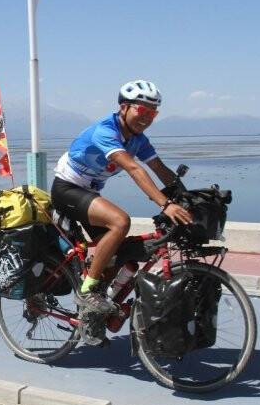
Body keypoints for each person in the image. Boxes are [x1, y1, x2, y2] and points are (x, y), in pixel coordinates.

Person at [51, 80, 193, 320]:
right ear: (124, 107)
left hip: (89, 193)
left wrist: (186, 196)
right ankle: (87, 292)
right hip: (67, 189)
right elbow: (134, 169)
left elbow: (159, 168)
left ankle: (91, 315)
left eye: (153, 113)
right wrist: (165, 204)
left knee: (116, 256)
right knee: (120, 222)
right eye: (142, 110)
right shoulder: (106, 131)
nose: (147, 117)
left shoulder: (138, 139)